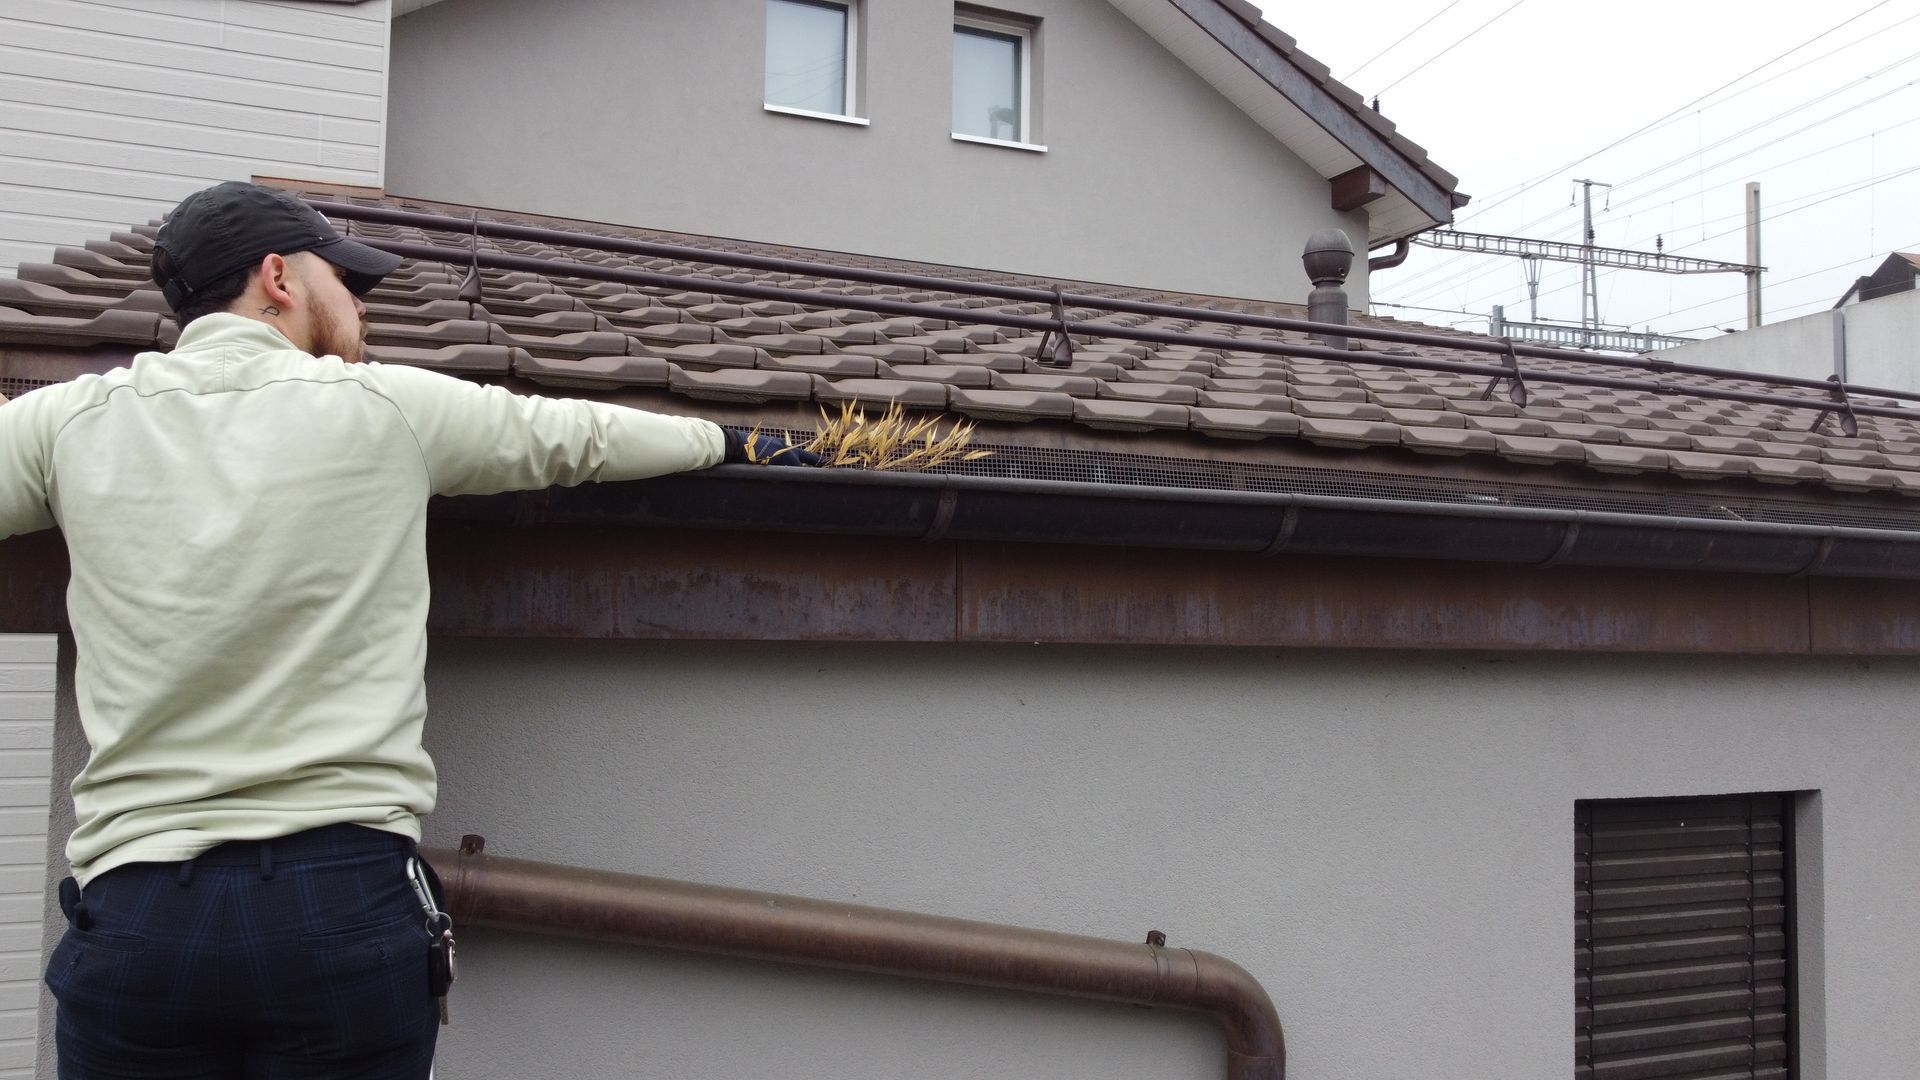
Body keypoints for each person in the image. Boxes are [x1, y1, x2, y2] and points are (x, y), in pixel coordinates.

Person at [0, 181, 818, 1078]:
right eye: (343, 280)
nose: (358, 305)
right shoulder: (385, 408)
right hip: (337, 906)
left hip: (138, 917)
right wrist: (737, 444)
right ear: (277, 278)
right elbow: (573, 436)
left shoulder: (67, 422)